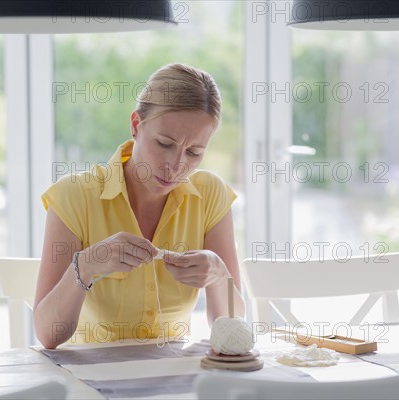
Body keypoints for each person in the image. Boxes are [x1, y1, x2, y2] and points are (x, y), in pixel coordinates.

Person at [34, 63, 245, 349]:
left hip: (173, 382)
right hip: (90, 381)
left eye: (194, 151)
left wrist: (219, 276)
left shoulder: (210, 195)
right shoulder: (75, 196)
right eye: (164, 144)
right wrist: (87, 265)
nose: (176, 166)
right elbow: (48, 335)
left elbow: (233, 328)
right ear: (135, 125)